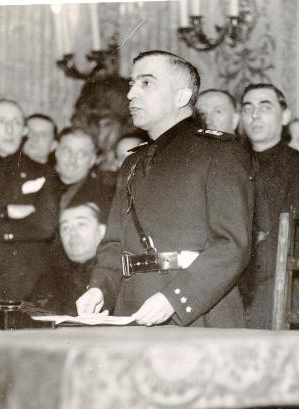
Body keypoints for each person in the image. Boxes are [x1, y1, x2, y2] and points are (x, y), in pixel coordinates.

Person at [77, 50, 253, 328]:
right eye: (132, 84)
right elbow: (114, 244)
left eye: (146, 83)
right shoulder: (133, 162)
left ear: (182, 97)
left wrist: (174, 298)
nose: (131, 94)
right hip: (133, 310)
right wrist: (99, 288)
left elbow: (232, 246)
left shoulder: (220, 153)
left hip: (198, 315)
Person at [239, 83, 299, 329]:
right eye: (248, 108)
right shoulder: (228, 165)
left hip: (279, 288)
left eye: (265, 107)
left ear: (284, 116)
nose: (255, 115)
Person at [0, 99, 59, 304]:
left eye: (16, 122)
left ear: (24, 130)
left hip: (29, 286)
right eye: (1, 121)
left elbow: (45, 226)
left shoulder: (44, 173)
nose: (9, 129)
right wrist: (5, 212)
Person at [30, 201, 107, 315]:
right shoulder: (48, 279)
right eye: (65, 227)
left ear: (102, 231)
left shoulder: (112, 278)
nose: (72, 232)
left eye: (81, 224)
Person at [54, 126, 115, 213]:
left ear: (92, 160)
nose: (72, 159)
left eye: (82, 154)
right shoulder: (37, 182)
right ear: (57, 152)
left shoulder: (105, 196)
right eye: (67, 151)